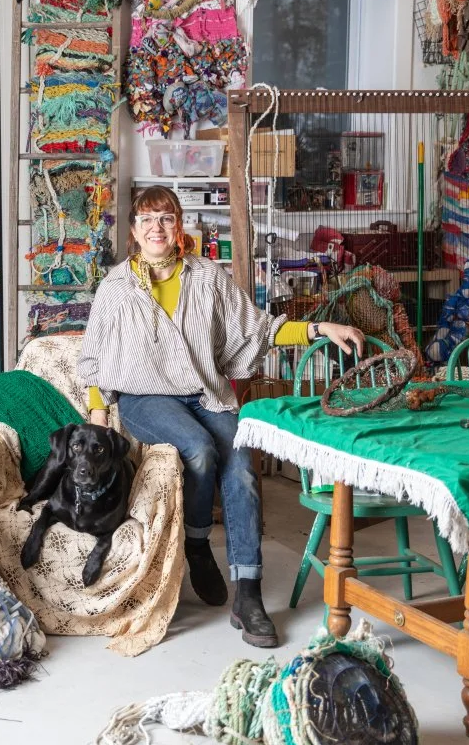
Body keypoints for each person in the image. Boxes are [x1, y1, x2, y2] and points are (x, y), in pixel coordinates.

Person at [78, 186, 365, 648]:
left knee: (242, 469)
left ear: (179, 227)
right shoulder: (116, 287)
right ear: (133, 231)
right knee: (199, 448)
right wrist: (97, 418)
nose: (156, 228)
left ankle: (248, 594)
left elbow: (257, 329)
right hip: (144, 398)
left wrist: (318, 327)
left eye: (166, 218)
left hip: (204, 395)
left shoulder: (207, 276)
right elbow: (95, 357)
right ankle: (197, 545)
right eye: (147, 219)